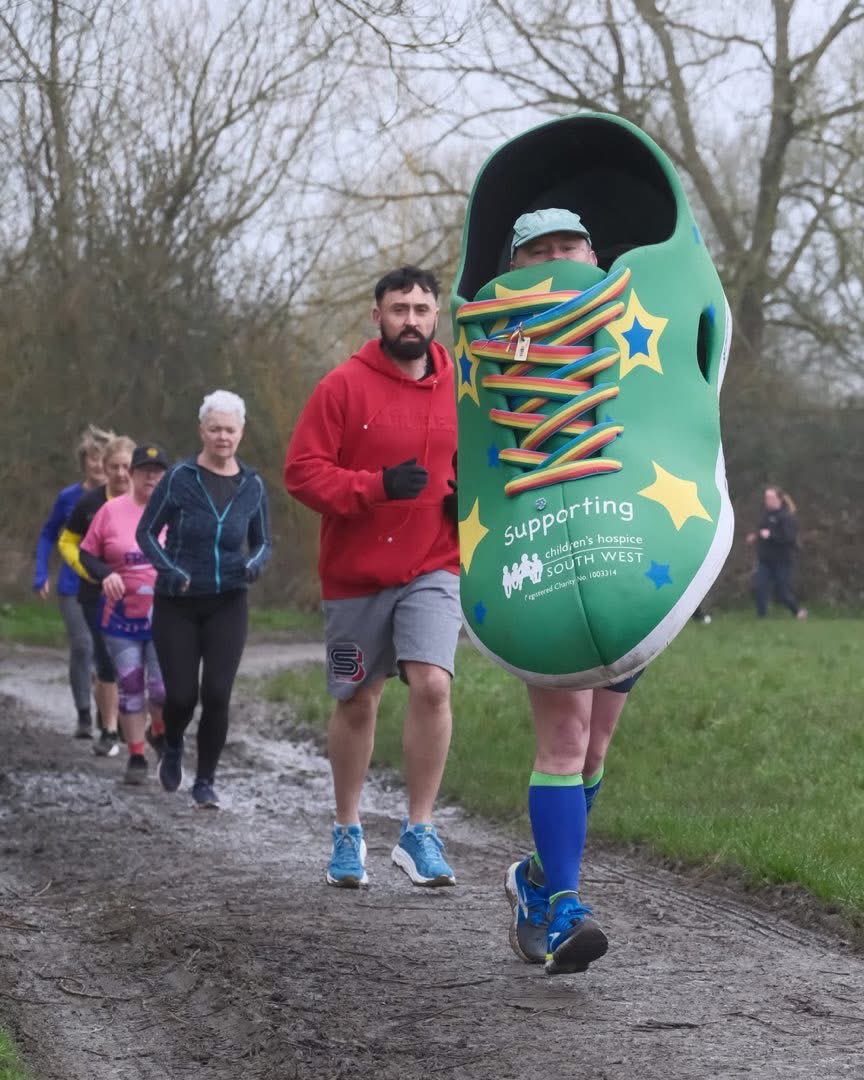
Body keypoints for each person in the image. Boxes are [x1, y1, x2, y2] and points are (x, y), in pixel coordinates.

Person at [499, 209, 646, 975]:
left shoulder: (631, 321)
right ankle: (564, 909)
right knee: (563, 740)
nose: (557, 260)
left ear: (595, 251)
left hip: (630, 555)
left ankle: (532, 879)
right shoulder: (498, 341)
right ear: (516, 264)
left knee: (595, 748)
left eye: (570, 247)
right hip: (542, 554)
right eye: (540, 252)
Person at [283, 265, 461, 889]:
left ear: (437, 314)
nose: (410, 319)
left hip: (434, 563)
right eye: (398, 309)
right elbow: (302, 473)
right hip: (356, 574)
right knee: (358, 701)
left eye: (421, 308)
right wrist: (376, 487)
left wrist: (467, 499)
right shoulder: (343, 387)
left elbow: (486, 463)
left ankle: (419, 831)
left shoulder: (461, 387)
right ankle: (348, 829)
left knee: (433, 684)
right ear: (376, 316)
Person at [136, 390, 271, 810]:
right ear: (202, 431)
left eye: (230, 429)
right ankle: (170, 741)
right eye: (215, 429)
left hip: (228, 600)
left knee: (216, 693)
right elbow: (145, 533)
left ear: (241, 432)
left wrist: (255, 565)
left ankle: (206, 781)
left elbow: (264, 542)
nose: (222, 436)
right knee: (180, 696)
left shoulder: (252, 485)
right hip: (177, 601)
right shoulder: (179, 478)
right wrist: (170, 571)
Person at [79, 443, 169, 784]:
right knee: (130, 684)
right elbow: (87, 554)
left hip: (164, 617)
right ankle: (135, 756)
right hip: (120, 617)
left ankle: (157, 731)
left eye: (158, 473)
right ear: (131, 474)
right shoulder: (111, 511)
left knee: (161, 690)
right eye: (144, 471)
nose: (151, 478)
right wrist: (106, 575)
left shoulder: (176, 513)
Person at [32, 424, 112, 738]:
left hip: (111, 584)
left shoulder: (120, 497)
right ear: (84, 462)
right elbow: (48, 534)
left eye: (102, 458)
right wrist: (41, 573)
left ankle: (106, 716)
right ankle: (82, 713)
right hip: (72, 585)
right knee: (82, 646)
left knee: (108, 652)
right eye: (92, 458)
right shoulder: (69, 498)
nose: (97, 464)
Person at [59, 435, 136, 757]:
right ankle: (107, 730)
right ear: (104, 468)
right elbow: (66, 541)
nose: (120, 473)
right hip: (95, 593)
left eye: (126, 467)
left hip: (137, 595)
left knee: (133, 661)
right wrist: (88, 570)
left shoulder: (147, 501)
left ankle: (130, 724)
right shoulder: (89, 504)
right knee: (105, 658)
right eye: (114, 467)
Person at [746, 486, 806, 619]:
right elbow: (762, 530)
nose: (767, 500)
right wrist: (755, 536)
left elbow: (789, 538)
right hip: (765, 560)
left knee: (783, 592)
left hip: (782, 561)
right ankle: (761, 617)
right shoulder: (766, 515)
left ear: (779, 499)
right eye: (766, 497)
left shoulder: (787, 516)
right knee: (759, 587)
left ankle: (798, 612)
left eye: (771, 497)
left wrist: (771, 535)